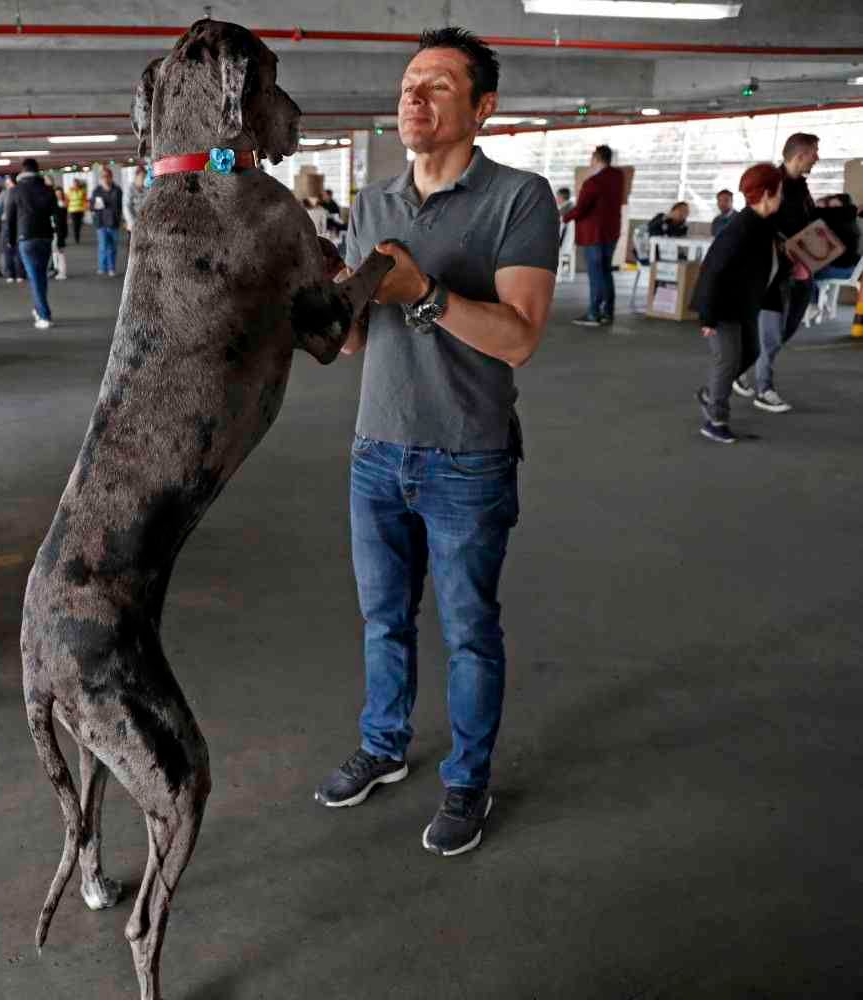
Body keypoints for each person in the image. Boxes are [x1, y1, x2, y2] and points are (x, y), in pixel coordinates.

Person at [314, 26, 558, 858]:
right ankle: (384, 746)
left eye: (439, 86)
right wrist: (317, 302)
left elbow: (521, 337)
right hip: (375, 448)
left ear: (482, 107)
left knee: (467, 628)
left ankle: (467, 779)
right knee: (382, 619)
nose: (414, 97)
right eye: (409, 83)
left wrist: (424, 293)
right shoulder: (372, 205)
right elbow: (349, 343)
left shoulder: (519, 199)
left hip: (466, 456)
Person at [690, 163, 786, 445]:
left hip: (744, 304)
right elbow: (712, 271)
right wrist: (708, 317)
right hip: (722, 307)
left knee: (752, 352)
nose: (782, 197)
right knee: (727, 360)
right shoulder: (739, 229)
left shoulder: (765, 225)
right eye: (780, 191)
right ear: (768, 193)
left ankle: (710, 394)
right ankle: (715, 420)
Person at [734, 132, 820, 413]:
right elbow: (757, 222)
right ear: (800, 154)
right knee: (771, 334)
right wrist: (781, 247)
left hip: (803, 272)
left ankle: (741, 368)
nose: (817, 158)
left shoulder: (802, 188)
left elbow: (807, 222)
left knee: (783, 332)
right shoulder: (772, 184)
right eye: (814, 152)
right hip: (774, 276)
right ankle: (764, 389)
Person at [562, 144, 625, 327]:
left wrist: (563, 218)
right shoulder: (618, 177)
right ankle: (608, 312)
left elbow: (581, 209)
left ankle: (593, 313)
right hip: (611, 232)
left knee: (596, 274)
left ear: (596, 159)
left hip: (594, 235)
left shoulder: (592, 183)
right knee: (606, 272)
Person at [3, 158, 66, 330]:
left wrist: (9, 240)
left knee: (35, 277)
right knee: (40, 276)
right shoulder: (48, 190)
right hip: (45, 237)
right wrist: (61, 239)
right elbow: (59, 216)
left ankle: (44, 315)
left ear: (23, 172)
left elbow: (10, 217)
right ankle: (39, 309)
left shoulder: (15, 191)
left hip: (26, 238)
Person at [91, 167, 124, 277]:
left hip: (113, 222)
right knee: (103, 247)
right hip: (101, 223)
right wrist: (96, 205)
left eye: (107, 176)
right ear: (100, 178)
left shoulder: (117, 190)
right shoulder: (97, 191)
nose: (105, 179)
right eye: (103, 177)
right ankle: (102, 267)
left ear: (111, 177)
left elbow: (121, 206)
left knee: (113, 247)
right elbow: (92, 206)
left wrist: (121, 218)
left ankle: (111, 268)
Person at [0, 175, 25, 283]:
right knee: (20, 248)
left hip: (7, 223)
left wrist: (2, 216)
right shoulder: (23, 193)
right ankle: (21, 274)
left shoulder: (5, 193)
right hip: (21, 223)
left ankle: (10, 275)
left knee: (8, 249)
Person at [51, 185, 70, 281]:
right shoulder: (54, 204)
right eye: (56, 194)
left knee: (60, 252)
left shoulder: (62, 205)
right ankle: (57, 270)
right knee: (55, 252)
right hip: (55, 231)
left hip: (60, 231)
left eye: (59, 194)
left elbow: (61, 221)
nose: (58, 195)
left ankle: (62, 272)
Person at [124, 164, 150, 231]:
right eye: (142, 177)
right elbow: (126, 207)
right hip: (133, 225)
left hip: (146, 224)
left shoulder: (147, 189)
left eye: (145, 177)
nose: (144, 179)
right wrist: (134, 223)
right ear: (136, 176)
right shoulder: (130, 189)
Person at [67, 180, 88, 244]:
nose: (75, 185)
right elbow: (67, 199)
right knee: (75, 224)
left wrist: (85, 208)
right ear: (73, 184)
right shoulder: (70, 191)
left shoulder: (82, 191)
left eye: (76, 184)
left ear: (78, 184)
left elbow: (85, 200)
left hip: (80, 210)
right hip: (72, 210)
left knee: (79, 224)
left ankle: (77, 235)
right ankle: (76, 237)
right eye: (74, 184)